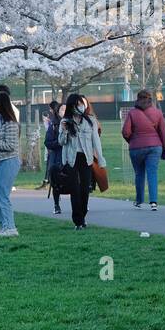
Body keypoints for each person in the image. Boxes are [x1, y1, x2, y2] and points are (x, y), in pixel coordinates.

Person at [58, 92, 106, 229]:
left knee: (85, 189)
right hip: (71, 158)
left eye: (82, 104)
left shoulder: (90, 121)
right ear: (72, 106)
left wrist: (101, 159)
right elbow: (60, 142)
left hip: (86, 157)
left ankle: (83, 215)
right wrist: (65, 131)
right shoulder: (65, 121)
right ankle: (77, 221)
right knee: (75, 189)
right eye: (78, 104)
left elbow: (96, 141)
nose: (82, 107)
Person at [122, 89, 165, 210]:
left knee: (139, 174)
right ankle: (153, 202)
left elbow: (125, 132)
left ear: (138, 99)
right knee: (152, 173)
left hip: (136, 147)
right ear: (150, 99)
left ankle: (139, 200)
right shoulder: (157, 113)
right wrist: (164, 146)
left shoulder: (132, 113)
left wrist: (132, 140)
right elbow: (163, 132)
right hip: (154, 146)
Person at [0, 91, 21, 236]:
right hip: (1, 161)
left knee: (2, 195)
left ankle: (10, 227)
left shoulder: (10, 123)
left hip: (9, 161)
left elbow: (11, 145)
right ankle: (4, 225)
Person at [43, 100, 64, 214]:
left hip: (69, 158)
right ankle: (56, 205)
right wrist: (58, 143)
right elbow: (47, 142)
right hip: (57, 157)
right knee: (56, 182)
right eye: (62, 109)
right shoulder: (54, 124)